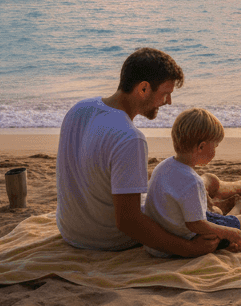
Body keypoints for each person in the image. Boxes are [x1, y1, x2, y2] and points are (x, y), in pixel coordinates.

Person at [56, 47, 216, 257]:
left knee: (196, 183)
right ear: (143, 89)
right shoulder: (129, 137)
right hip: (107, 239)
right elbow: (129, 223)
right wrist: (190, 249)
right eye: (165, 94)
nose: (168, 102)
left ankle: (217, 188)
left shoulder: (80, 109)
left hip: (70, 230)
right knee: (187, 200)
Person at [143, 108, 241, 257]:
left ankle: (234, 210)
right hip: (186, 240)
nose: (216, 150)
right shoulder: (192, 181)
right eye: (216, 146)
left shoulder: (163, 166)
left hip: (158, 241)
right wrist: (227, 232)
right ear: (201, 147)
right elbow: (195, 224)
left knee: (217, 215)